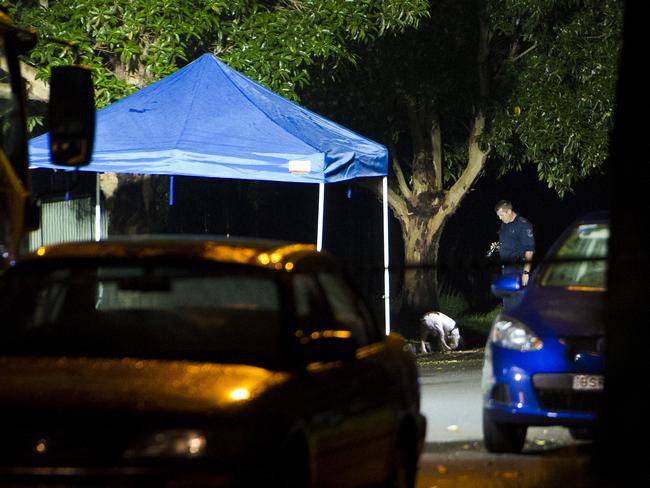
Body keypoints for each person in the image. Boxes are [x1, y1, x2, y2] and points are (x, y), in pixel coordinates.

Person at [493, 200, 535, 309]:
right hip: (506, 268)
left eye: (501, 215)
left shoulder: (524, 225)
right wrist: (499, 247)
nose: (500, 218)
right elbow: (509, 243)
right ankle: (510, 322)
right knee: (507, 300)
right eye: (498, 216)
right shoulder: (504, 225)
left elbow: (529, 250)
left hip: (518, 268)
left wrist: (526, 272)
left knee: (518, 302)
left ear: (509, 211)